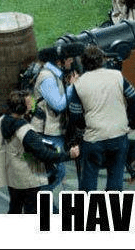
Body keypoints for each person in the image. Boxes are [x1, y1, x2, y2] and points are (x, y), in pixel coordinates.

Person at [0, 89, 80, 214]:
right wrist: (69, 155)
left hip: (11, 174)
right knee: (31, 211)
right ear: (21, 108)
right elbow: (45, 155)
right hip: (28, 179)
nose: (32, 105)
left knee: (15, 208)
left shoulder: (1, 122)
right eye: (29, 103)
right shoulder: (26, 131)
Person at [68, 44, 135, 192]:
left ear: (83, 62)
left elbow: (75, 115)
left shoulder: (79, 84)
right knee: (115, 179)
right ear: (102, 60)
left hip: (93, 139)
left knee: (88, 182)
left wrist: (84, 127)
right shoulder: (117, 76)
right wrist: (132, 123)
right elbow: (134, 99)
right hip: (118, 135)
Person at [31, 42, 85, 199]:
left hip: (53, 130)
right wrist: (72, 86)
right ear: (59, 61)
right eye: (69, 59)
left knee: (55, 171)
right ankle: (38, 199)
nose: (71, 62)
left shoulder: (54, 74)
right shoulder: (47, 78)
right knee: (56, 171)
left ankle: (40, 199)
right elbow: (59, 104)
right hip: (47, 133)